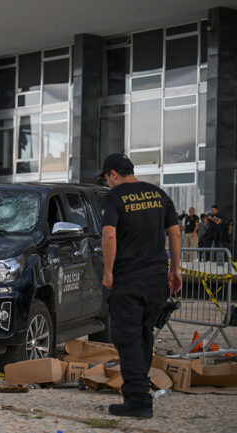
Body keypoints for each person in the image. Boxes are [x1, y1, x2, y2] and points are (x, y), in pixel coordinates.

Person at [98, 153, 181, 419]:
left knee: (128, 338)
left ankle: (137, 401)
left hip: (128, 280)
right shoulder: (158, 194)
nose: (108, 183)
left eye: (107, 178)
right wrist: (175, 269)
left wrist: (108, 271)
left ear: (113, 174)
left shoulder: (113, 198)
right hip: (156, 279)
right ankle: (140, 391)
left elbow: (109, 234)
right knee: (144, 335)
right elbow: (175, 233)